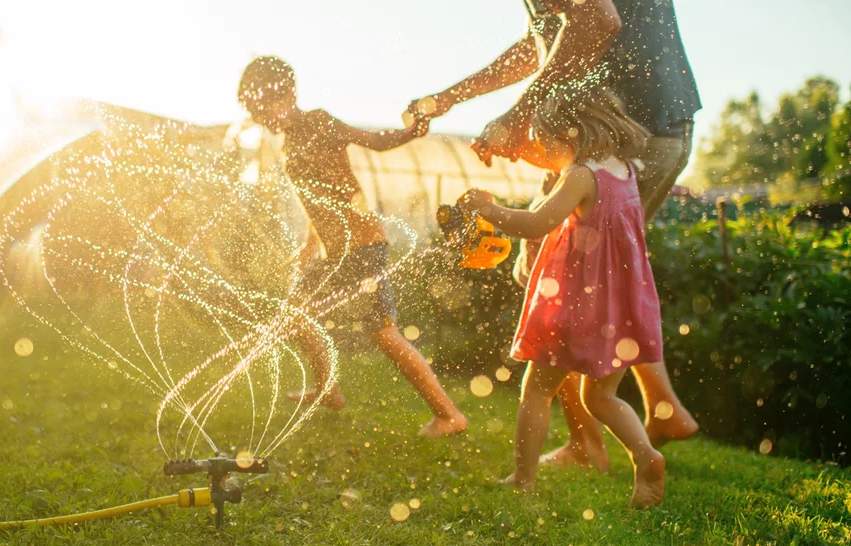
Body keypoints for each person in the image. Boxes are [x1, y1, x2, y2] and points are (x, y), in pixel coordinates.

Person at [417, 0, 700, 466]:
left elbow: (597, 21)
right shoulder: (612, 167)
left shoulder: (585, 167)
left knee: (548, 285)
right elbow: (545, 43)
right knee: (607, 279)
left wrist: (514, 123)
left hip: (636, 121)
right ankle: (662, 406)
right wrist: (453, 97)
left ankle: (587, 444)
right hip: (657, 127)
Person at [237, 56, 468, 437]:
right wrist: (311, 245)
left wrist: (412, 132)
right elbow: (321, 196)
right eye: (253, 110)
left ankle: (448, 415)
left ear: (286, 95)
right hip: (335, 253)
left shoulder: (317, 121)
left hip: (362, 246)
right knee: (296, 315)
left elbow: (375, 142)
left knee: (382, 333)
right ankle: (328, 390)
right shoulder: (289, 140)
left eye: (262, 107)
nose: (260, 117)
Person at [460, 87, 666, 507]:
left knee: (536, 390)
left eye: (544, 142)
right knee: (601, 397)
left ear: (568, 137)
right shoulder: (625, 170)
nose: (542, 151)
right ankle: (646, 457)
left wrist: (488, 209)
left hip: (578, 306)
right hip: (621, 309)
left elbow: (538, 223)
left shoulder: (580, 175)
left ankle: (523, 479)